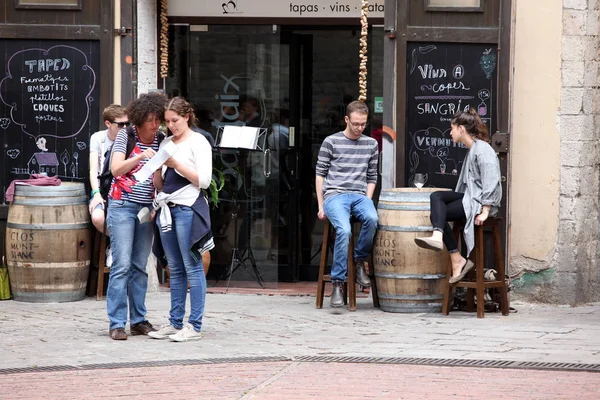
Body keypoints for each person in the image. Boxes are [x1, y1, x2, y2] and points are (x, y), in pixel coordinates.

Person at [150, 97, 214, 342]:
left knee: (192, 267)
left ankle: (194, 325)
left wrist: (175, 163)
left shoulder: (199, 142)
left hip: (187, 208)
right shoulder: (166, 141)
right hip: (167, 207)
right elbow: (160, 185)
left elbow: (204, 181)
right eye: (167, 121)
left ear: (187, 116)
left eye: (174, 120)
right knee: (175, 269)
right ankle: (175, 322)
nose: (170, 126)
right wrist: (157, 167)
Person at [414, 109, 502, 283]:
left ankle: (455, 257)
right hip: (470, 196)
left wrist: (485, 209)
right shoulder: (473, 149)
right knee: (436, 198)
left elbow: (491, 178)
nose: (450, 132)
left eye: (452, 128)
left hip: (478, 202)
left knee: (439, 213)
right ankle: (446, 245)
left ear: (461, 129)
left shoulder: (483, 150)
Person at [105, 92, 167, 340]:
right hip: (121, 204)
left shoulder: (161, 139)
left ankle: (139, 320)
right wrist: (140, 156)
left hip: (146, 208)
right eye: (151, 120)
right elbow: (115, 168)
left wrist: (160, 176)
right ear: (140, 119)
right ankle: (117, 323)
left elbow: (159, 183)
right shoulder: (126, 135)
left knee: (139, 266)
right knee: (121, 264)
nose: (156, 125)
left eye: (158, 120)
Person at [315, 100, 379, 308]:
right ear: (346, 120)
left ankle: (359, 262)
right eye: (356, 124)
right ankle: (337, 284)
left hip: (360, 195)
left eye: (363, 124)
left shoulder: (371, 144)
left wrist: (367, 200)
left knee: (372, 218)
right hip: (335, 195)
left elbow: (372, 176)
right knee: (344, 230)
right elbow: (320, 175)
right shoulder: (331, 142)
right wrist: (321, 205)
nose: (360, 128)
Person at [88, 104, 128, 267]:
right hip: (102, 189)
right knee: (98, 217)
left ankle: (119, 247)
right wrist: (96, 193)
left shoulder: (128, 137)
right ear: (108, 124)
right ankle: (117, 245)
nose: (125, 127)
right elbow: (93, 169)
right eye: (121, 124)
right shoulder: (98, 138)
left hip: (123, 189)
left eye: (127, 123)